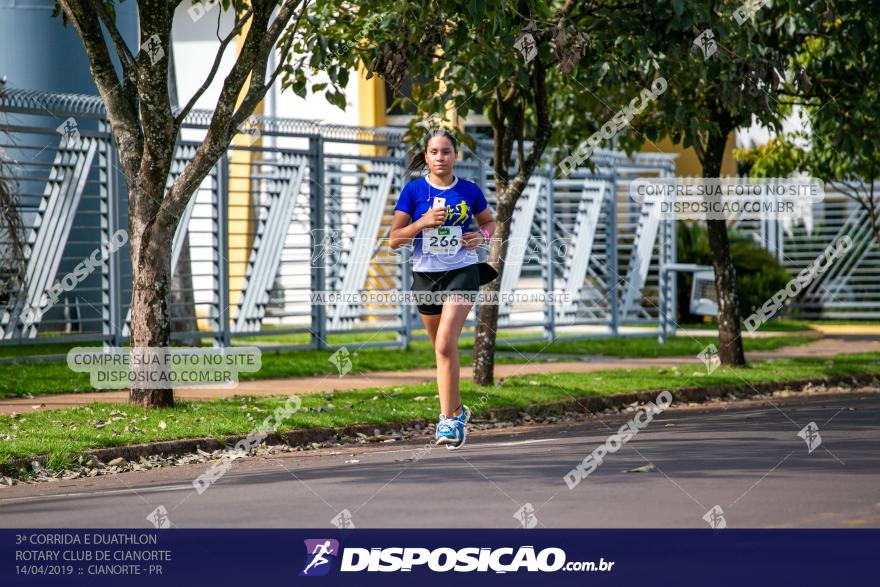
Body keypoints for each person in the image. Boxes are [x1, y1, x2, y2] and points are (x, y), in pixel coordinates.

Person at [389, 130, 496, 450]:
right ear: (425, 156)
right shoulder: (413, 191)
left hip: (462, 271)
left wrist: (481, 237)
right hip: (426, 276)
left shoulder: (469, 190)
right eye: (434, 152)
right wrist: (421, 223)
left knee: (446, 343)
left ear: (455, 156)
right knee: (441, 349)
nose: (440, 157)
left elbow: (490, 222)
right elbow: (395, 240)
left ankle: (447, 421)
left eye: (446, 151)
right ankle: (459, 411)